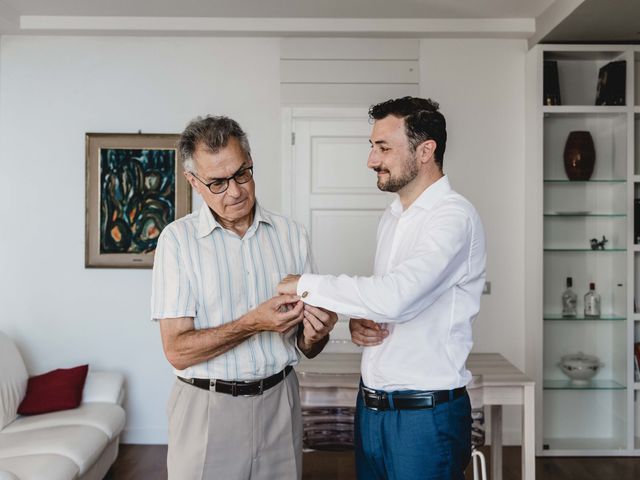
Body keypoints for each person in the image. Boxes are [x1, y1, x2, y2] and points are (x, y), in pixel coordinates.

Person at [278, 96, 486, 479]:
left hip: (425, 420)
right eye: (372, 147)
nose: (371, 160)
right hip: (372, 411)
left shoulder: (453, 217)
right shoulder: (392, 218)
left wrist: (304, 285)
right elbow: (388, 300)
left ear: (426, 151)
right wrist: (362, 319)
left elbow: (396, 297)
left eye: (383, 147)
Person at [151, 115, 338, 480]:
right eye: (218, 183)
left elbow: (307, 346)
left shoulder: (291, 235)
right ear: (194, 182)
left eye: (242, 174)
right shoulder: (177, 242)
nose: (235, 191)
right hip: (206, 408)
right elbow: (177, 350)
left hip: (280, 403)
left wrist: (316, 334)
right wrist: (254, 323)